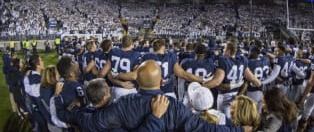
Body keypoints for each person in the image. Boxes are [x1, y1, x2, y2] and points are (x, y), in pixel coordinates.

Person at [85, 60, 253, 132]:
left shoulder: (123, 103)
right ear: (161, 82)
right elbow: (205, 129)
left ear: (138, 81)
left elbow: (95, 123)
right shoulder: (174, 106)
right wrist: (238, 130)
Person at [58, 78, 171, 132]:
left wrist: (57, 96)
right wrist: (155, 118)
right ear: (105, 96)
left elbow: (61, 114)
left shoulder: (83, 116)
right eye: (108, 89)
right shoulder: (110, 118)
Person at [203, 42, 261, 118]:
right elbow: (251, 78)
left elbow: (217, 82)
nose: (223, 50)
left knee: (223, 120)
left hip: (225, 96)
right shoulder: (242, 59)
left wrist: (202, 86)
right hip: (236, 95)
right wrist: (260, 85)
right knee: (234, 119)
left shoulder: (223, 60)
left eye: (225, 48)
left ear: (229, 51)